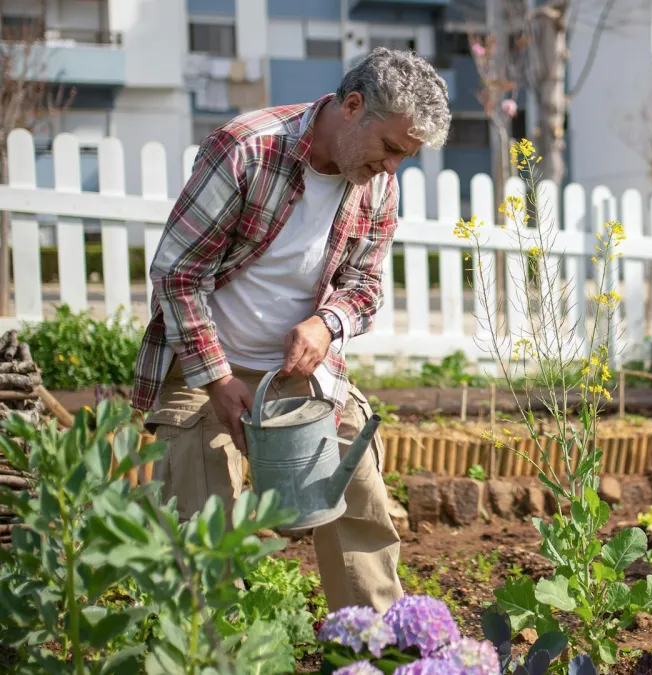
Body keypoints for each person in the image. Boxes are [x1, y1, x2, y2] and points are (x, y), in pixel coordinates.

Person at [131, 48, 451, 612]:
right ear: (352, 107)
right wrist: (216, 379)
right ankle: (215, 652)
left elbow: (365, 287)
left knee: (359, 499)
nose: (393, 167)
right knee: (202, 532)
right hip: (205, 367)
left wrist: (328, 325)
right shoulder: (248, 149)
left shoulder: (376, 182)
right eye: (391, 149)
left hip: (301, 372)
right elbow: (177, 275)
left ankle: (372, 650)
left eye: (407, 156)